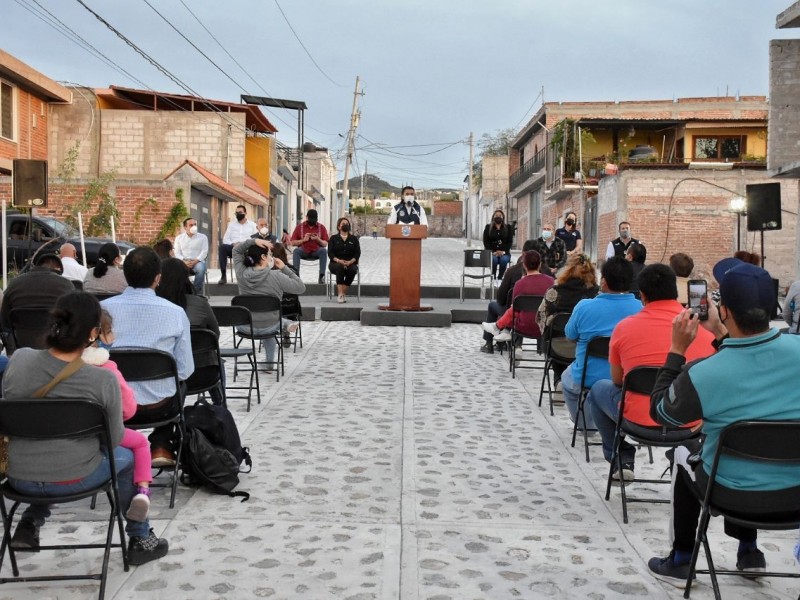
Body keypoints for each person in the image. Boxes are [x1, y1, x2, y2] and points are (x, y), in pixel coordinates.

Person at [647, 260, 800, 584]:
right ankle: (749, 552)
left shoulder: (704, 373)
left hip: (730, 494)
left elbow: (661, 413)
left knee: (684, 453)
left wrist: (677, 350)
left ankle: (682, 559)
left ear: (724, 310)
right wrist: (719, 333)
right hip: (796, 494)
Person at [2, 292, 168, 565]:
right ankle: (140, 537)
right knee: (126, 460)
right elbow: (113, 440)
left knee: (47, 450)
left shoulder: (19, 360)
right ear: (93, 333)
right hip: (76, 475)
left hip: (18, 476)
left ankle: (30, 522)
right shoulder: (102, 379)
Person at [585, 264, 715, 481]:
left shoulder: (625, 328)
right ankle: (684, 456)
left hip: (637, 419)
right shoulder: (703, 329)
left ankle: (620, 457)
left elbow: (618, 380)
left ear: (642, 295)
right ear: (675, 291)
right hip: (689, 423)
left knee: (599, 389)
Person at [102, 247, 194, 467]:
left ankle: (119, 445)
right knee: (180, 383)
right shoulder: (175, 312)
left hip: (114, 405)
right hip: (159, 405)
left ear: (124, 274)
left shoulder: (102, 309)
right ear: (158, 278)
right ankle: (161, 443)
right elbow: (184, 370)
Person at [82, 309, 152, 521]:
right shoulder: (107, 371)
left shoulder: (34, 366)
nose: (112, 338)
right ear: (95, 334)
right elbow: (129, 410)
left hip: (29, 471)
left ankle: (31, 519)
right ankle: (142, 494)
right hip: (99, 439)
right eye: (109, 332)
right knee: (139, 445)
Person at [560, 257, 642, 428]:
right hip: (629, 380)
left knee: (566, 379)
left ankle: (585, 424)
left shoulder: (584, 307)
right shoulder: (640, 310)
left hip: (587, 376)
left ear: (603, 281)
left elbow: (570, 334)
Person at [157, 258, 223, 404]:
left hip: (166, 375)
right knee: (215, 358)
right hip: (203, 373)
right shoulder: (200, 303)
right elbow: (215, 335)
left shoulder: (156, 306)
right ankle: (220, 404)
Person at [234, 238, 306, 371]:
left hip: (245, 326)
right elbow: (301, 287)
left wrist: (254, 241)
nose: (271, 257)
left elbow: (236, 250)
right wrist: (285, 268)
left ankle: (283, 324)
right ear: (263, 257)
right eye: (270, 254)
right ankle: (284, 324)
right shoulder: (277, 276)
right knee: (268, 320)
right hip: (269, 326)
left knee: (263, 317)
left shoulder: (241, 274)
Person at [481, 250, 553, 345]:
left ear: (524, 265)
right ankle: (502, 330)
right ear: (539, 264)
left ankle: (497, 336)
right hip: (546, 325)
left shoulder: (520, 284)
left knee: (512, 308)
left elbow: (511, 307)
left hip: (523, 326)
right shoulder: (551, 281)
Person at [480, 239, 537, 354]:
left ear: (523, 253)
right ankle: (512, 340)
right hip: (538, 316)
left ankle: (489, 343)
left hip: (514, 313)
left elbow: (501, 297)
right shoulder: (547, 274)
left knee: (493, 306)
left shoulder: (512, 271)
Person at [0, 253, 74, 332]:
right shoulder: (66, 285)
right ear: (58, 268)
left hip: (19, 340)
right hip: (55, 341)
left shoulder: (14, 284)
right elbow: (73, 318)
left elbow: (5, 321)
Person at [536, 253, 599, 333]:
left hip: (556, 340)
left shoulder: (554, 291)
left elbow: (541, 316)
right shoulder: (596, 293)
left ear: (566, 269)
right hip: (586, 340)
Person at [218, 204, 257, 284]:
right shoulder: (232, 225)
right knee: (222, 247)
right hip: (234, 248)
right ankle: (223, 276)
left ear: (245, 213)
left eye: (240, 212)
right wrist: (233, 244)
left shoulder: (252, 225)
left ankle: (252, 276)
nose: (238, 214)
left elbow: (256, 238)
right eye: (236, 213)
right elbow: (225, 239)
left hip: (247, 249)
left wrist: (245, 244)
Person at [290, 209, 329, 284]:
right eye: (311, 219)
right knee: (296, 251)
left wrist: (318, 239)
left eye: (314, 220)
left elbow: (325, 244)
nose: (312, 222)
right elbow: (292, 242)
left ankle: (322, 275)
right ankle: (296, 276)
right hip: (303, 250)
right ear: (306, 217)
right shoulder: (299, 227)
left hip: (316, 251)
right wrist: (303, 240)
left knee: (323, 251)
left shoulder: (321, 227)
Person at [328, 217, 361, 304]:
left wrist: (351, 261)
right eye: (343, 224)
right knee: (340, 267)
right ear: (339, 227)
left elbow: (357, 253)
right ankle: (340, 294)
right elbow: (330, 254)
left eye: (347, 224)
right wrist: (339, 260)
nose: (345, 225)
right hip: (335, 263)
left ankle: (342, 293)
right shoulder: (333, 238)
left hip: (350, 263)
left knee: (354, 269)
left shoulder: (354, 239)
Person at [173, 217, 209, 296]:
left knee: (201, 269)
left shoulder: (203, 237)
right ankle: (181, 293)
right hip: (183, 262)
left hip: (197, 261)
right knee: (175, 270)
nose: (194, 226)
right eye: (191, 225)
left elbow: (204, 252)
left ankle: (195, 293)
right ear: (185, 227)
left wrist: (195, 261)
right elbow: (177, 253)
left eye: (195, 224)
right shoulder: (179, 238)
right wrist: (184, 261)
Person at [483, 209, 513, 282]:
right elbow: (486, 242)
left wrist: (502, 252)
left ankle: (500, 278)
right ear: (493, 217)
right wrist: (494, 252)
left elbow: (510, 242)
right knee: (494, 259)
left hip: (505, 252)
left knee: (504, 260)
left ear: (503, 217)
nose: (498, 217)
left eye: (500, 216)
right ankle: (493, 277)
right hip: (492, 252)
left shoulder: (508, 228)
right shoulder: (488, 227)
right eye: (496, 215)